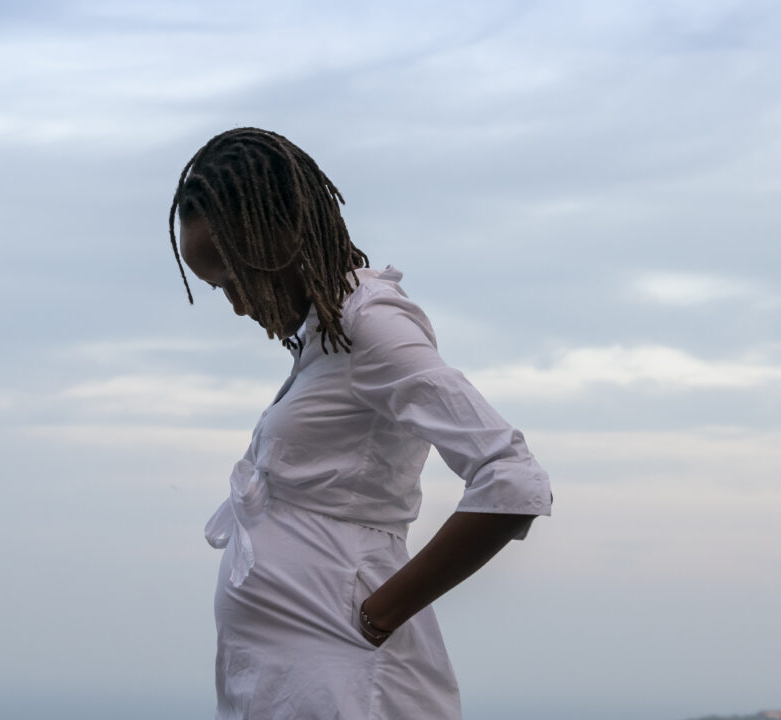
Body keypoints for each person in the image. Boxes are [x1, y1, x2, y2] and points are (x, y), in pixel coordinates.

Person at [167, 127, 552, 720]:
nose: (239, 306)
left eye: (234, 279)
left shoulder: (371, 325)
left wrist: (376, 616)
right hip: (289, 682)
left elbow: (512, 479)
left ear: (281, 236)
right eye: (220, 291)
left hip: (348, 678)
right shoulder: (325, 338)